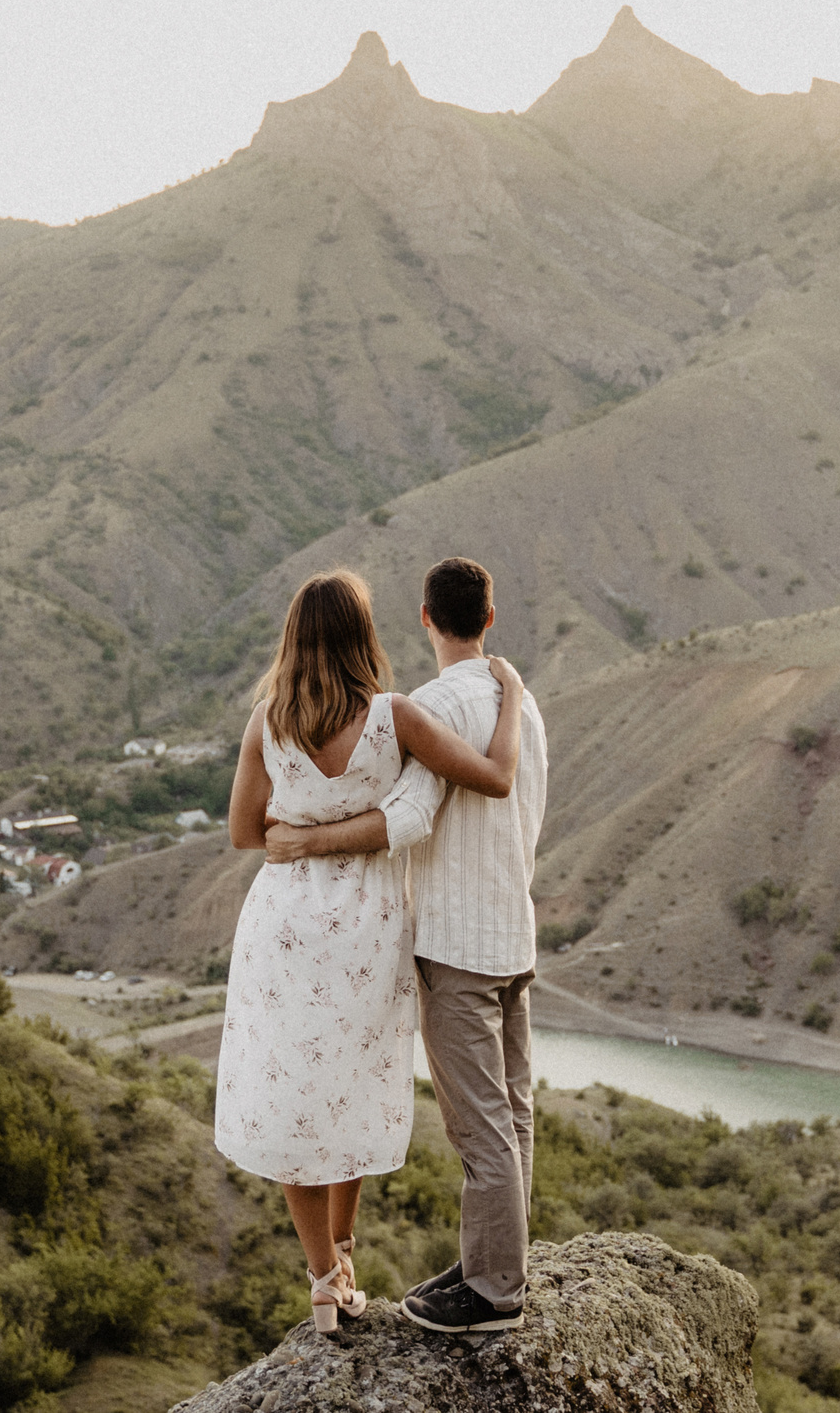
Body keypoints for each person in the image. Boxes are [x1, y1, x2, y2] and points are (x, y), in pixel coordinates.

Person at [217, 569, 528, 1334]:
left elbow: (243, 832)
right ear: (366, 636)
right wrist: (511, 691)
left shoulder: (268, 722)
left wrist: (300, 837)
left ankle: (326, 1277)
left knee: (295, 1100)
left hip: (284, 923)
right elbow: (494, 776)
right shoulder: (394, 717)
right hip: (365, 927)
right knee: (350, 1084)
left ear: (293, 636)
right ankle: (347, 1251)